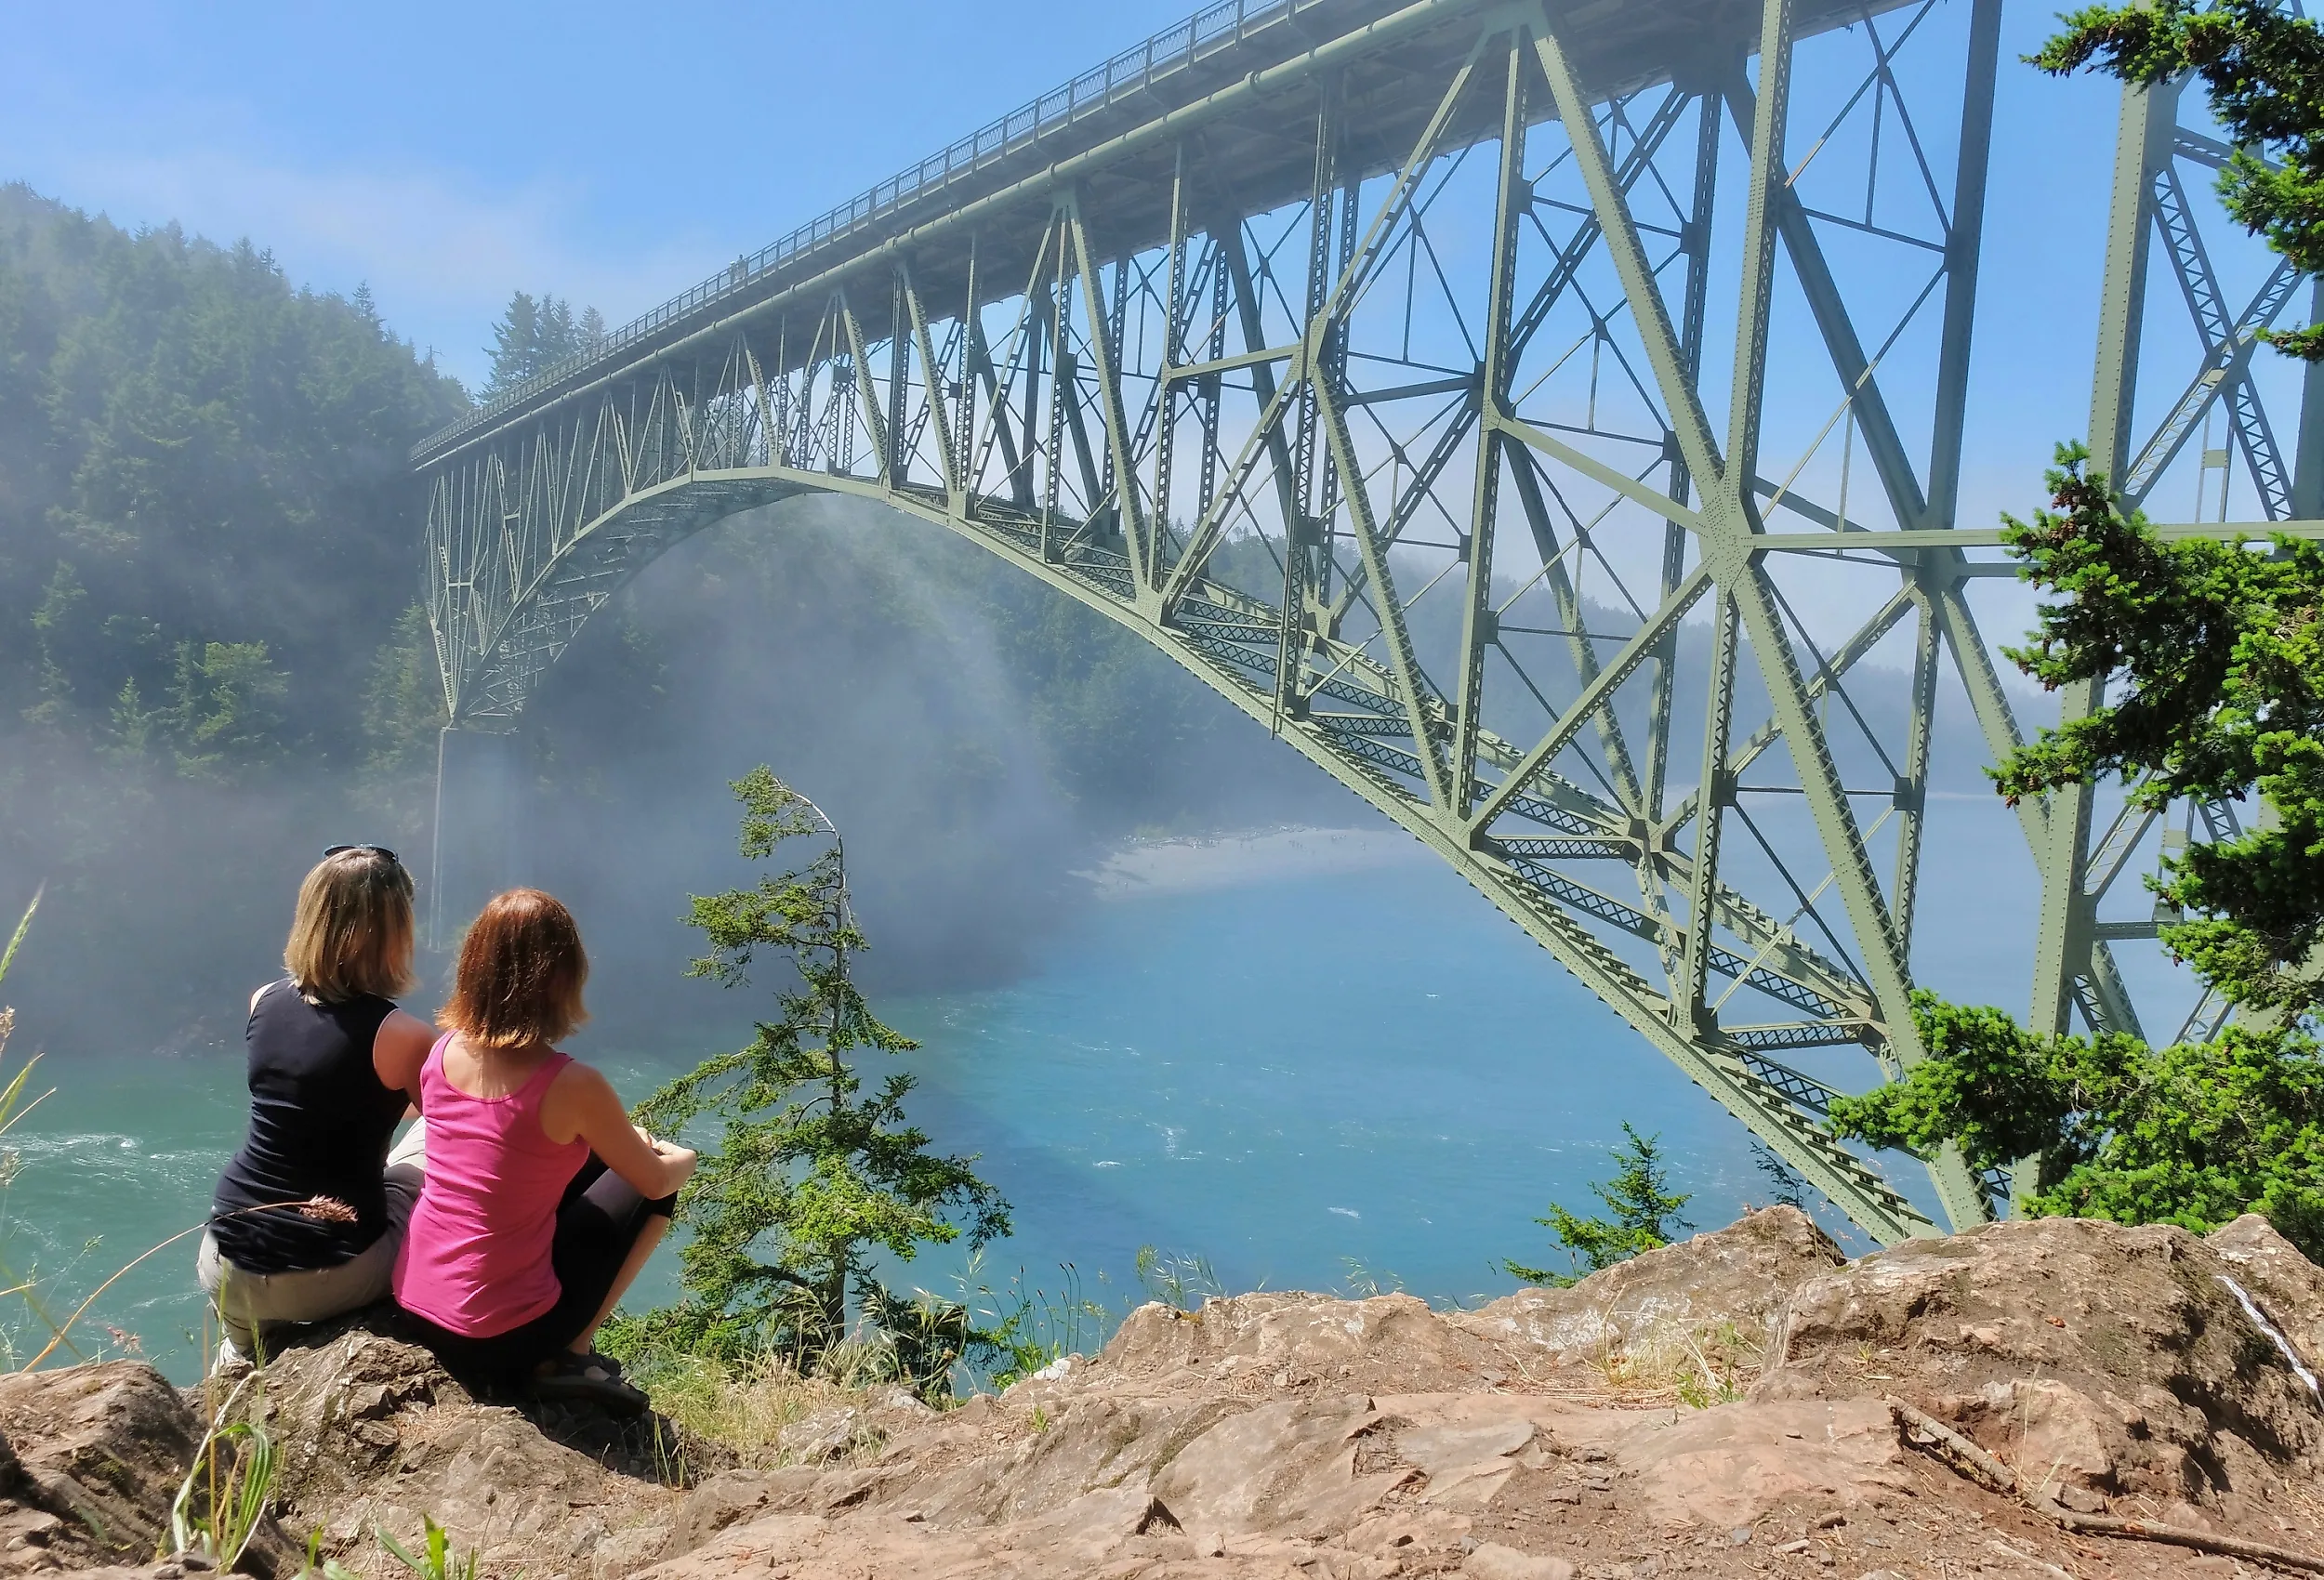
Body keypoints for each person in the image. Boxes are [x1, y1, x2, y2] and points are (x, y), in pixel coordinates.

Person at [393, 888, 694, 1411]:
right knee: (655, 1193)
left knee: (574, 1166)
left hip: (415, 1311)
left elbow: (502, 1146)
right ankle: (571, 1351)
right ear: (561, 978)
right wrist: (678, 1155)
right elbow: (652, 1180)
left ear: (473, 967)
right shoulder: (573, 1084)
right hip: (496, 1342)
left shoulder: (439, 1054)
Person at [201, 845, 434, 1365]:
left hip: (223, 1263)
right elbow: (456, 1129)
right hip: (324, 1275)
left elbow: (321, 1097)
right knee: (424, 1154)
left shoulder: (263, 1000)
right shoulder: (401, 1035)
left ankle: (240, 1351)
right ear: (393, 933)